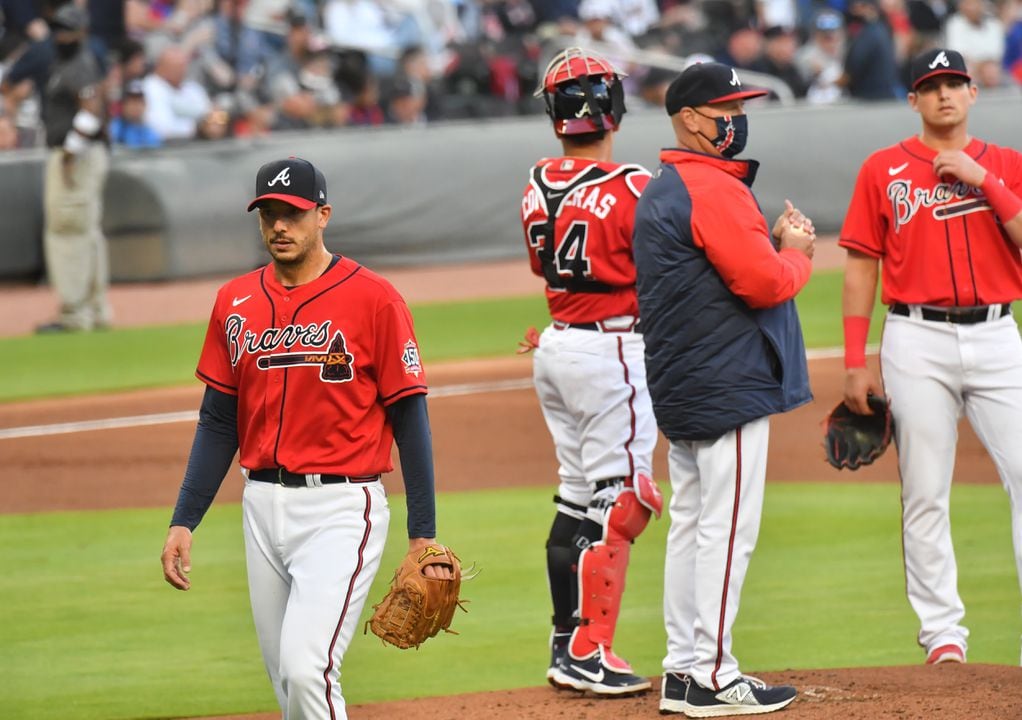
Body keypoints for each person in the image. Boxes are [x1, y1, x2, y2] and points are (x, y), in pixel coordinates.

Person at [160, 156, 453, 720]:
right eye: (268, 213)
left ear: (323, 215)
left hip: (341, 509)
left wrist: (423, 534)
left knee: (306, 667)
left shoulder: (375, 299)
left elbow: (410, 418)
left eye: (292, 213)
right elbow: (219, 420)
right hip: (261, 508)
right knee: (287, 682)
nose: (279, 226)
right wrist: (184, 519)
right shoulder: (235, 301)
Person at [632, 60, 816, 716]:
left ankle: (684, 669)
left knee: (692, 524)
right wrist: (795, 251)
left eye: (740, 109)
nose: (736, 121)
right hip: (725, 381)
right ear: (687, 118)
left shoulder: (663, 188)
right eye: (724, 111)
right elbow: (764, 283)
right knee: (726, 529)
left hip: (683, 380)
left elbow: (708, 272)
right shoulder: (709, 185)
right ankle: (712, 673)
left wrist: (768, 248)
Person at [838, 48, 1022, 666]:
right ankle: (943, 636)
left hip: (998, 335)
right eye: (930, 86)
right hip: (916, 338)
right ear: (912, 99)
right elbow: (861, 266)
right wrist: (855, 359)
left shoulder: (1008, 166)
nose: (944, 94)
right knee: (923, 490)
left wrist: (985, 182)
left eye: (954, 83)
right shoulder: (882, 170)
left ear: (973, 93)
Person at [520, 46, 662, 696]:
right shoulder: (633, 186)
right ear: (614, 108)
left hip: (558, 344)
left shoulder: (536, 183)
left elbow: (541, 267)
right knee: (622, 497)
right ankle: (588, 648)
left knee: (579, 494)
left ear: (556, 115)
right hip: (611, 351)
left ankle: (564, 640)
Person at [37, 3, 112, 334]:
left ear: (81, 33)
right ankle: (94, 310)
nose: (60, 35)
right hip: (82, 155)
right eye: (57, 29)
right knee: (86, 232)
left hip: (76, 158)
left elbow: (92, 110)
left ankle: (74, 313)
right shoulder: (67, 62)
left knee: (68, 231)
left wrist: (70, 152)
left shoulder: (79, 63)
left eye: (66, 29)